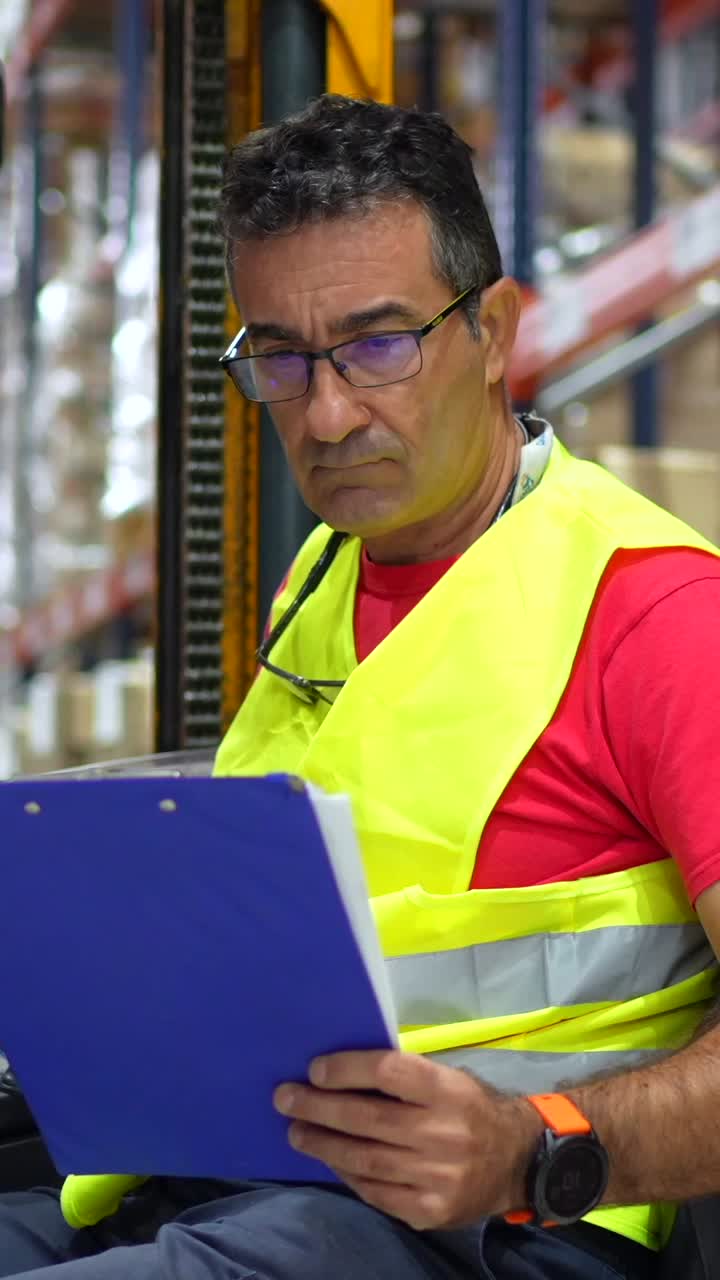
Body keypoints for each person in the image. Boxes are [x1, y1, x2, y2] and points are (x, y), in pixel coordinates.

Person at [2, 93, 720, 1280]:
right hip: (244, 1178)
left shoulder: (655, 614)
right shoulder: (331, 575)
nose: (328, 414)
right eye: (281, 356)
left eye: (380, 344)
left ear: (494, 329)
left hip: (497, 1227)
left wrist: (536, 1149)